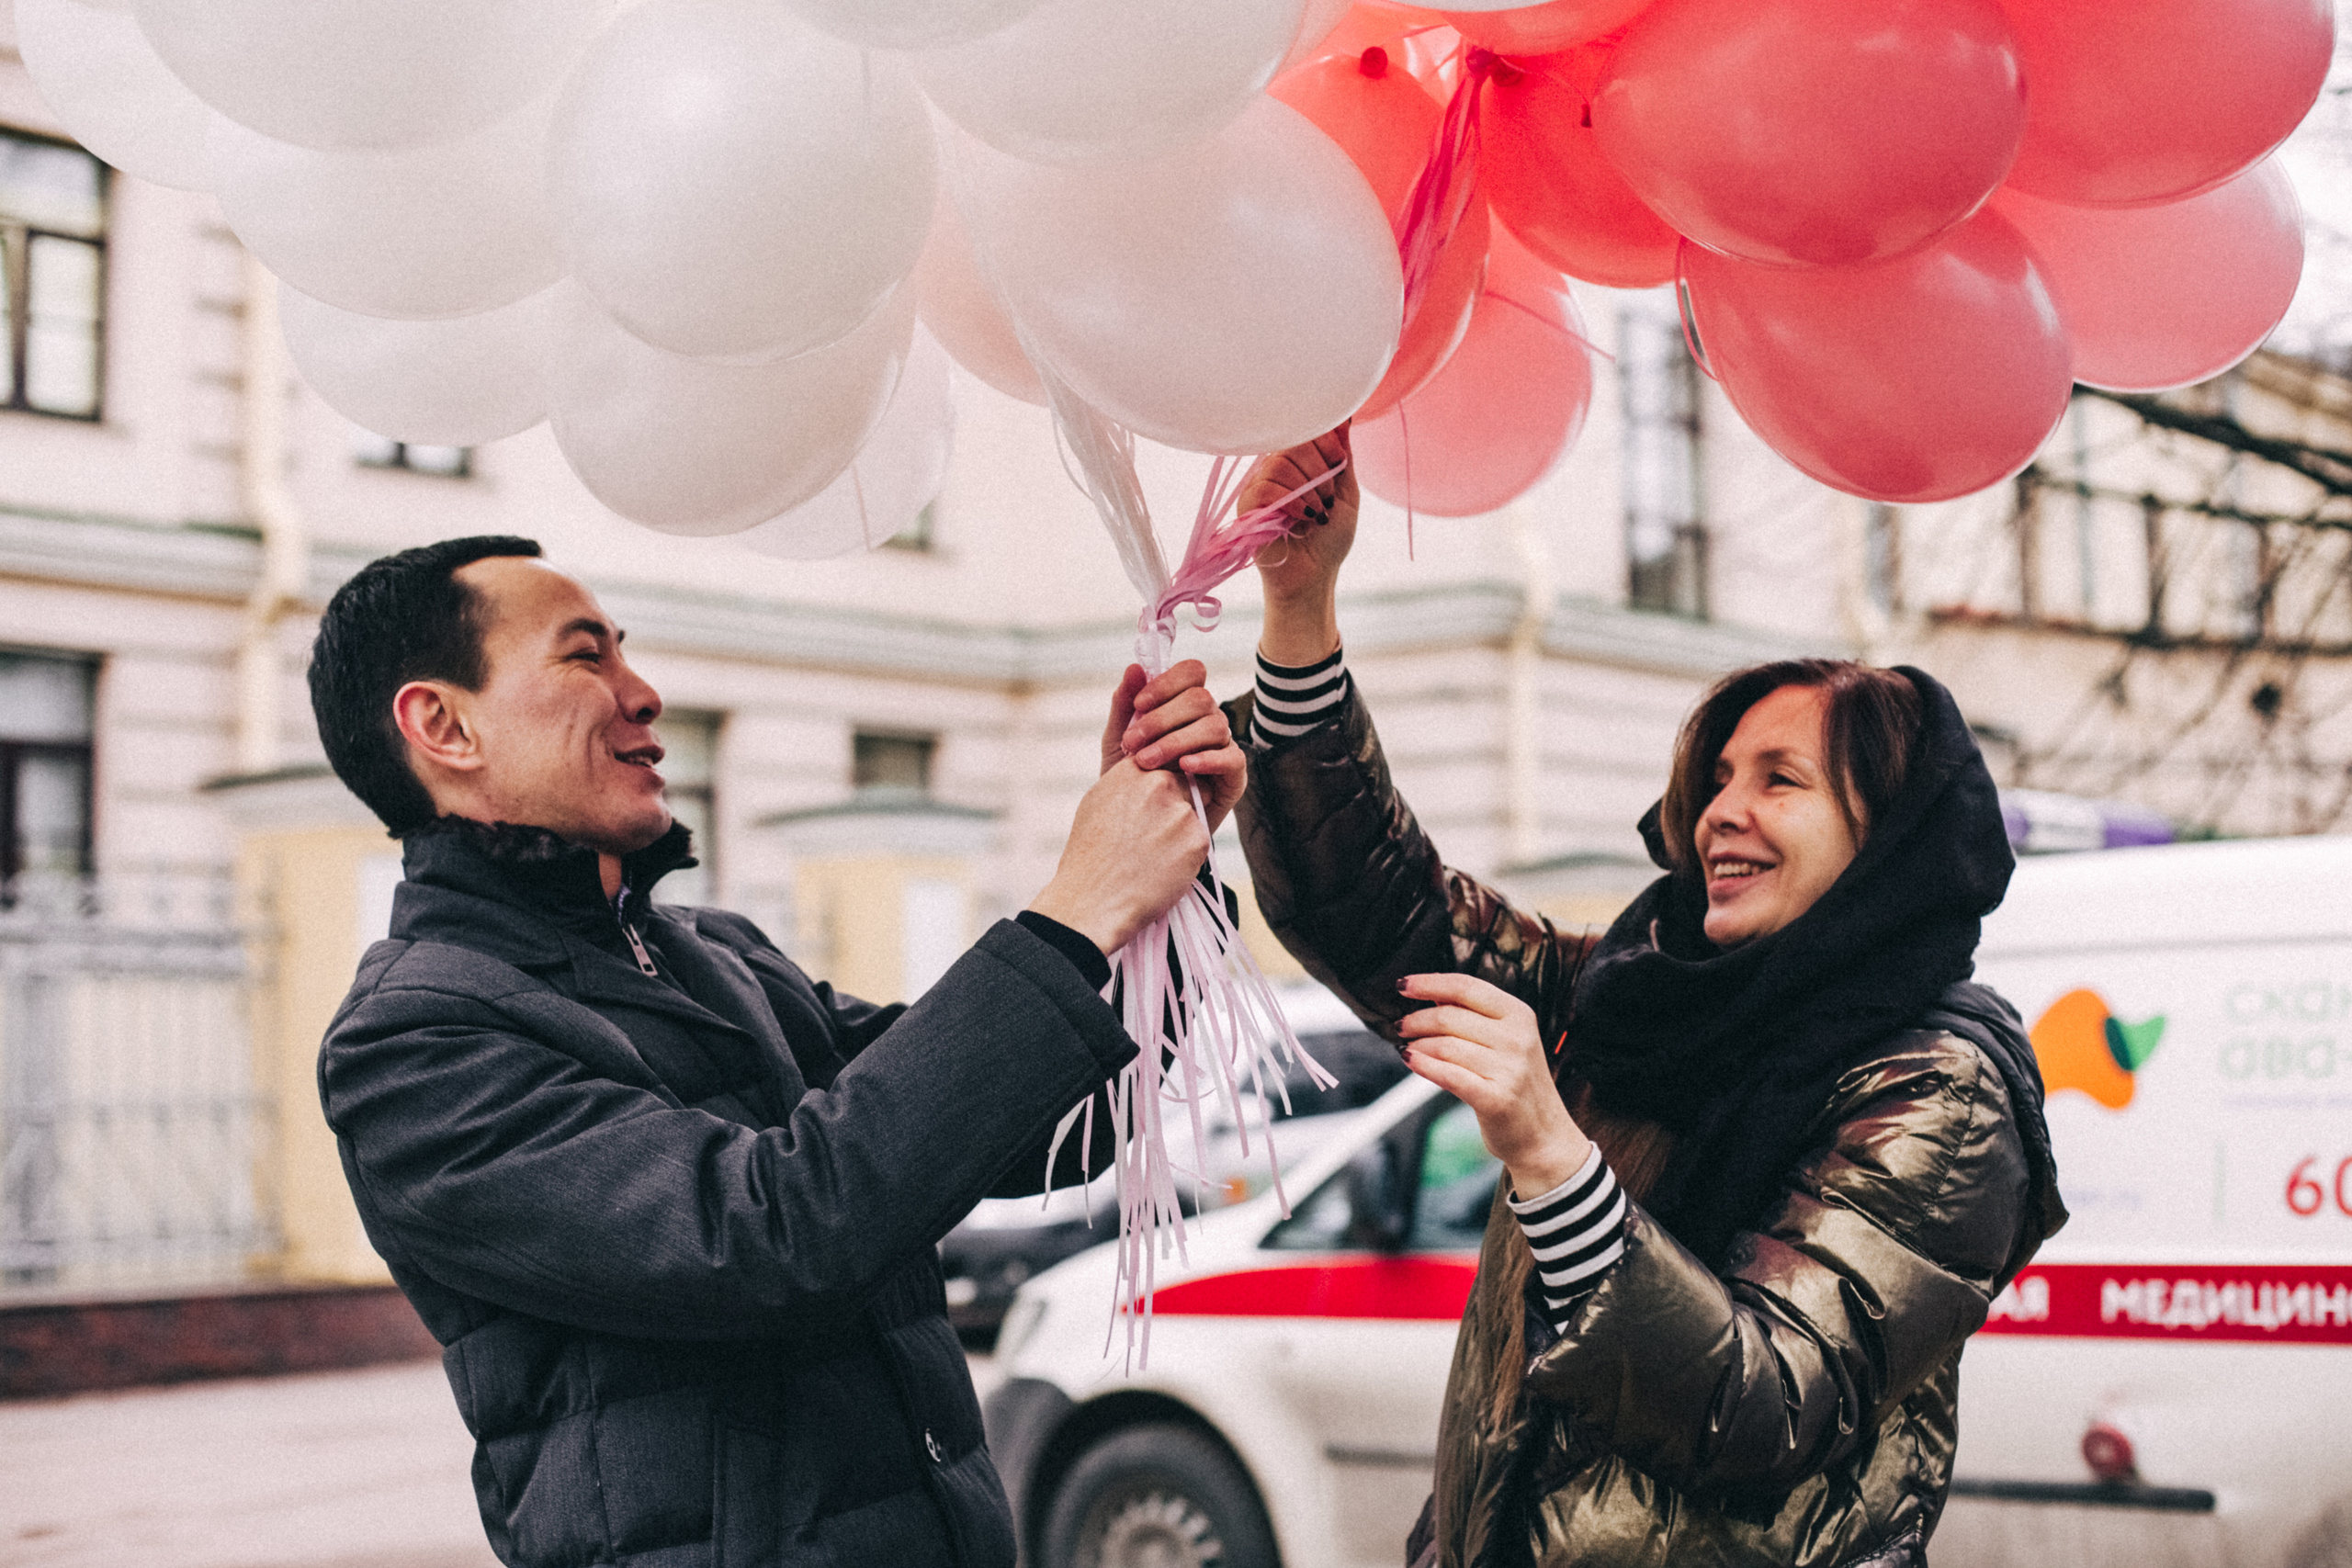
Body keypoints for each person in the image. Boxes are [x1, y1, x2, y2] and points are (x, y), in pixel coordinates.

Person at [1136, 431, 2067, 1568]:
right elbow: (1387, 923)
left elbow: (1764, 1407)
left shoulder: (1940, 1091)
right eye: (1717, 779)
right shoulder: (1641, 996)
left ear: (1886, 841)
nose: (1721, 813)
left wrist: (1551, 1155)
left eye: (1779, 780)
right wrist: (1298, 614)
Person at [305, 536, 1242, 1568]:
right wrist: (1074, 911)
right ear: (443, 726)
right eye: (585, 657)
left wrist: (1160, 884)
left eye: (626, 652)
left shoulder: (719, 954)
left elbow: (1036, 1129)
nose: (643, 693)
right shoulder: (414, 1041)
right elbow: (770, 1237)